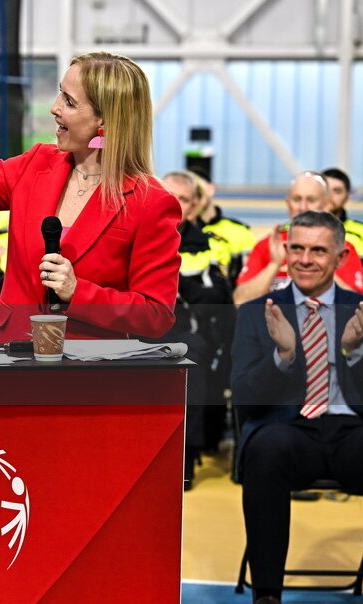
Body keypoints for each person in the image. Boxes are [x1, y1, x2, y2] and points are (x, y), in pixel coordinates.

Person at [0, 35, 181, 343]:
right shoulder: (35, 164)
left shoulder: (151, 202)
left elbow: (156, 314)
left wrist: (77, 291)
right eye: (60, 94)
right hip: (9, 355)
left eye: (69, 102)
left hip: (88, 371)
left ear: (106, 122)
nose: (54, 108)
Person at [231, 210, 363, 604]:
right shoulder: (254, 313)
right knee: (265, 448)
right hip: (288, 430)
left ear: (341, 257)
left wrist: (357, 348)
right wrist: (283, 355)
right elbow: (244, 397)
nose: (305, 259)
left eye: (317, 250)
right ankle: (267, 594)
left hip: (355, 431)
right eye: (297, 248)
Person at [160, 171, 234, 487]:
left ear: (193, 206)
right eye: (168, 195)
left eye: (184, 199)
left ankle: (184, 461)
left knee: (193, 351)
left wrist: (172, 273)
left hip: (181, 333)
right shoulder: (129, 236)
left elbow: (215, 299)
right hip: (130, 329)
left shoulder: (209, 246)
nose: (174, 204)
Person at [234, 172, 363, 305]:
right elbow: (240, 302)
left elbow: (359, 308)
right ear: (288, 203)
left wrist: (326, 269)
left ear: (326, 205)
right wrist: (274, 264)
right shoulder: (267, 245)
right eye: (297, 199)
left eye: (311, 200)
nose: (303, 207)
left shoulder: (341, 248)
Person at [191, 169, 255, 281]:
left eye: (198, 189)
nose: (194, 197)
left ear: (210, 189)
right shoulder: (176, 231)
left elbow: (251, 279)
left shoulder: (240, 231)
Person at [322, 167, 363, 291]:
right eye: (325, 190)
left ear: (347, 197)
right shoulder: (291, 230)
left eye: (337, 191)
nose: (329, 196)